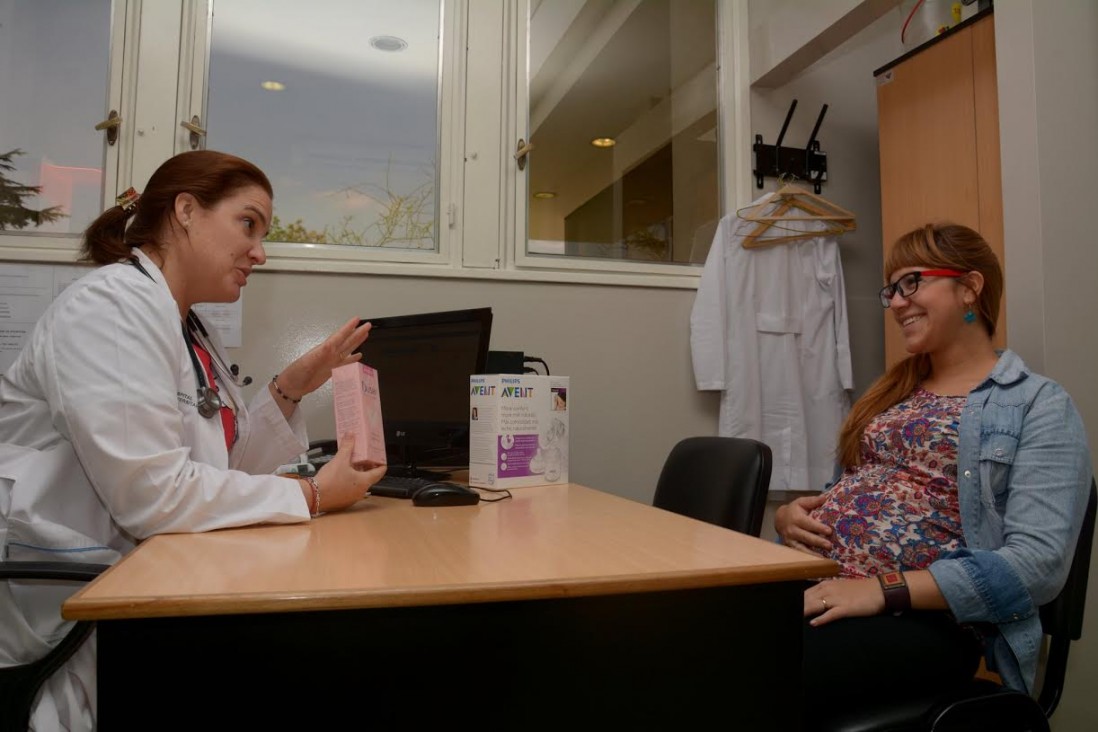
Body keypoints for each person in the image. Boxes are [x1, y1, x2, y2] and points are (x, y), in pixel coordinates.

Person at [0, 150, 388, 731]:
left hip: (149, 572)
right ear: (186, 211)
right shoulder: (110, 309)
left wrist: (289, 387)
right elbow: (152, 495)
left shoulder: (189, 327)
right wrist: (311, 496)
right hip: (74, 602)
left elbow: (225, 469)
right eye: (248, 223)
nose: (260, 251)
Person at [775, 223, 1092, 717]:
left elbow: (1038, 566)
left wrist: (883, 591)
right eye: (893, 289)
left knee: (742, 666)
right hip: (826, 585)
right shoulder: (890, 392)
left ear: (969, 287)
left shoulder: (1038, 405)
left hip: (923, 620)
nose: (897, 302)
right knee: (688, 629)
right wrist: (792, 519)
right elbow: (854, 492)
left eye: (912, 282)